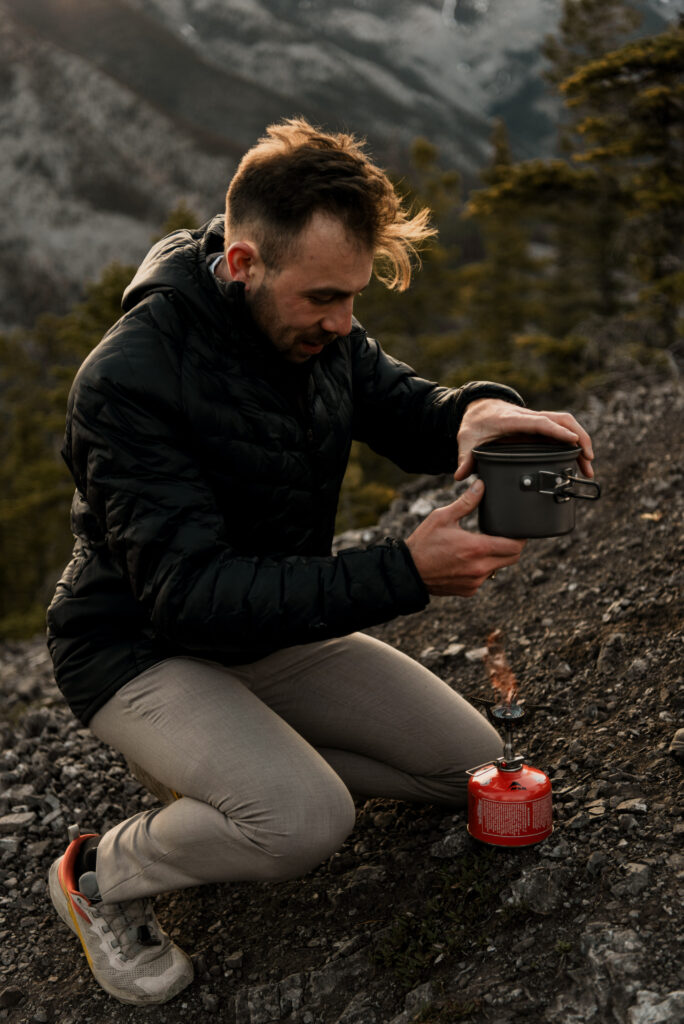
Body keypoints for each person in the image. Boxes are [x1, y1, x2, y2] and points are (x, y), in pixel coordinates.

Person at [46, 117, 594, 1005]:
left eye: (354, 298)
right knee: (305, 824)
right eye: (323, 299)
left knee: (470, 766)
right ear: (242, 265)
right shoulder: (129, 381)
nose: (343, 323)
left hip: (271, 626)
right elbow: (190, 597)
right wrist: (406, 573)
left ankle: (248, 775)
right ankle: (99, 874)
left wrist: (475, 414)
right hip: (144, 648)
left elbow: (399, 404)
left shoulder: (316, 332)